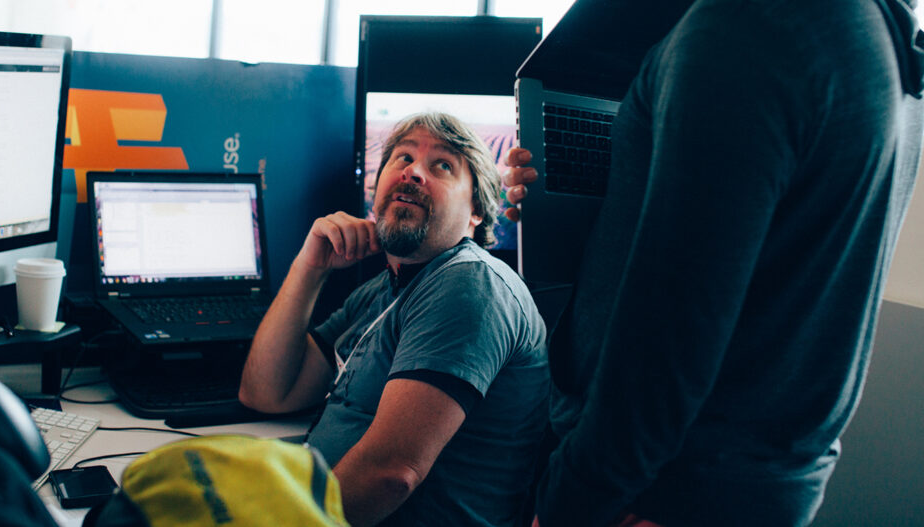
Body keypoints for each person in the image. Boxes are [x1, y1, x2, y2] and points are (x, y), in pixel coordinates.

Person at [503, 0, 924, 525]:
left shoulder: (749, 27)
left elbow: (666, 339)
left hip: (651, 492)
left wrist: (568, 504)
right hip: (761, 482)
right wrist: (631, 176)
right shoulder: (883, 40)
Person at [238, 112, 550, 527]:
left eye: (442, 165)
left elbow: (391, 474)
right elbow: (269, 392)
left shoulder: (470, 282)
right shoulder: (382, 290)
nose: (413, 172)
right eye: (403, 157)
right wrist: (310, 267)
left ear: (476, 211)